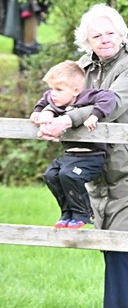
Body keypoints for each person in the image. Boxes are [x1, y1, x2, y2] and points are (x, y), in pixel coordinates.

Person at [37, 4, 128, 308]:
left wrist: (65, 122)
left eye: (110, 32)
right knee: (110, 245)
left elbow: (111, 102)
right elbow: (61, 94)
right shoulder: (83, 67)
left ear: (121, 33)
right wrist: (44, 113)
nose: (105, 39)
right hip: (101, 168)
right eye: (97, 35)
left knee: (126, 244)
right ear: (86, 40)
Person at [30, 60, 117, 228]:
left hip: (91, 156)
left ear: (76, 90)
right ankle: (66, 213)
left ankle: (83, 213)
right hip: (70, 155)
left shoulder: (87, 96)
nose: (52, 94)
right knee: (51, 175)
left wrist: (95, 115)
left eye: (58, 89)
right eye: (52, 88)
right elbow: (45, 99)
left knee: (69, 175)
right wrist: (38, 111)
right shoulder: (57, 99)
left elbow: (109, 97)